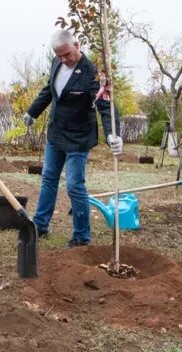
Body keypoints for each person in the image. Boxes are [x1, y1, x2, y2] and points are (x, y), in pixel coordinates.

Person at [23, 29, 122, 247]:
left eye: (67, 54)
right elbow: (48, 90)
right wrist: (32, 112)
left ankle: (81, 237)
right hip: (56, 133)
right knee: (49, 177)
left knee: (74, 185)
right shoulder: (57, 63)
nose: (63, 59)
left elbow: (106, 105)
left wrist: (113, 133)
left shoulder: (93, 72)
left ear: (76, 45)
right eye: (59, 56)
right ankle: (40, 225)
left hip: (78, 137)